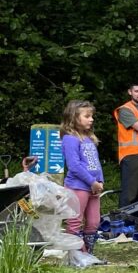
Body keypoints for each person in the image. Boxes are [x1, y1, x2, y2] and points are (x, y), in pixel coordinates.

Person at [61, 100, 104, 254]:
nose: (91, 119)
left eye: (91, 116)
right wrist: (92, 182)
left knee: (94, 222)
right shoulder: (70, 139)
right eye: (87, 116)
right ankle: (76, 255)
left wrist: (99, 181)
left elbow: (95, 163)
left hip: (94, 187)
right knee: (74, 221)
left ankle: (88, 253)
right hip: (77, 187)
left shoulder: (89, 139)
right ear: (74, 118)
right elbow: (74, 165)